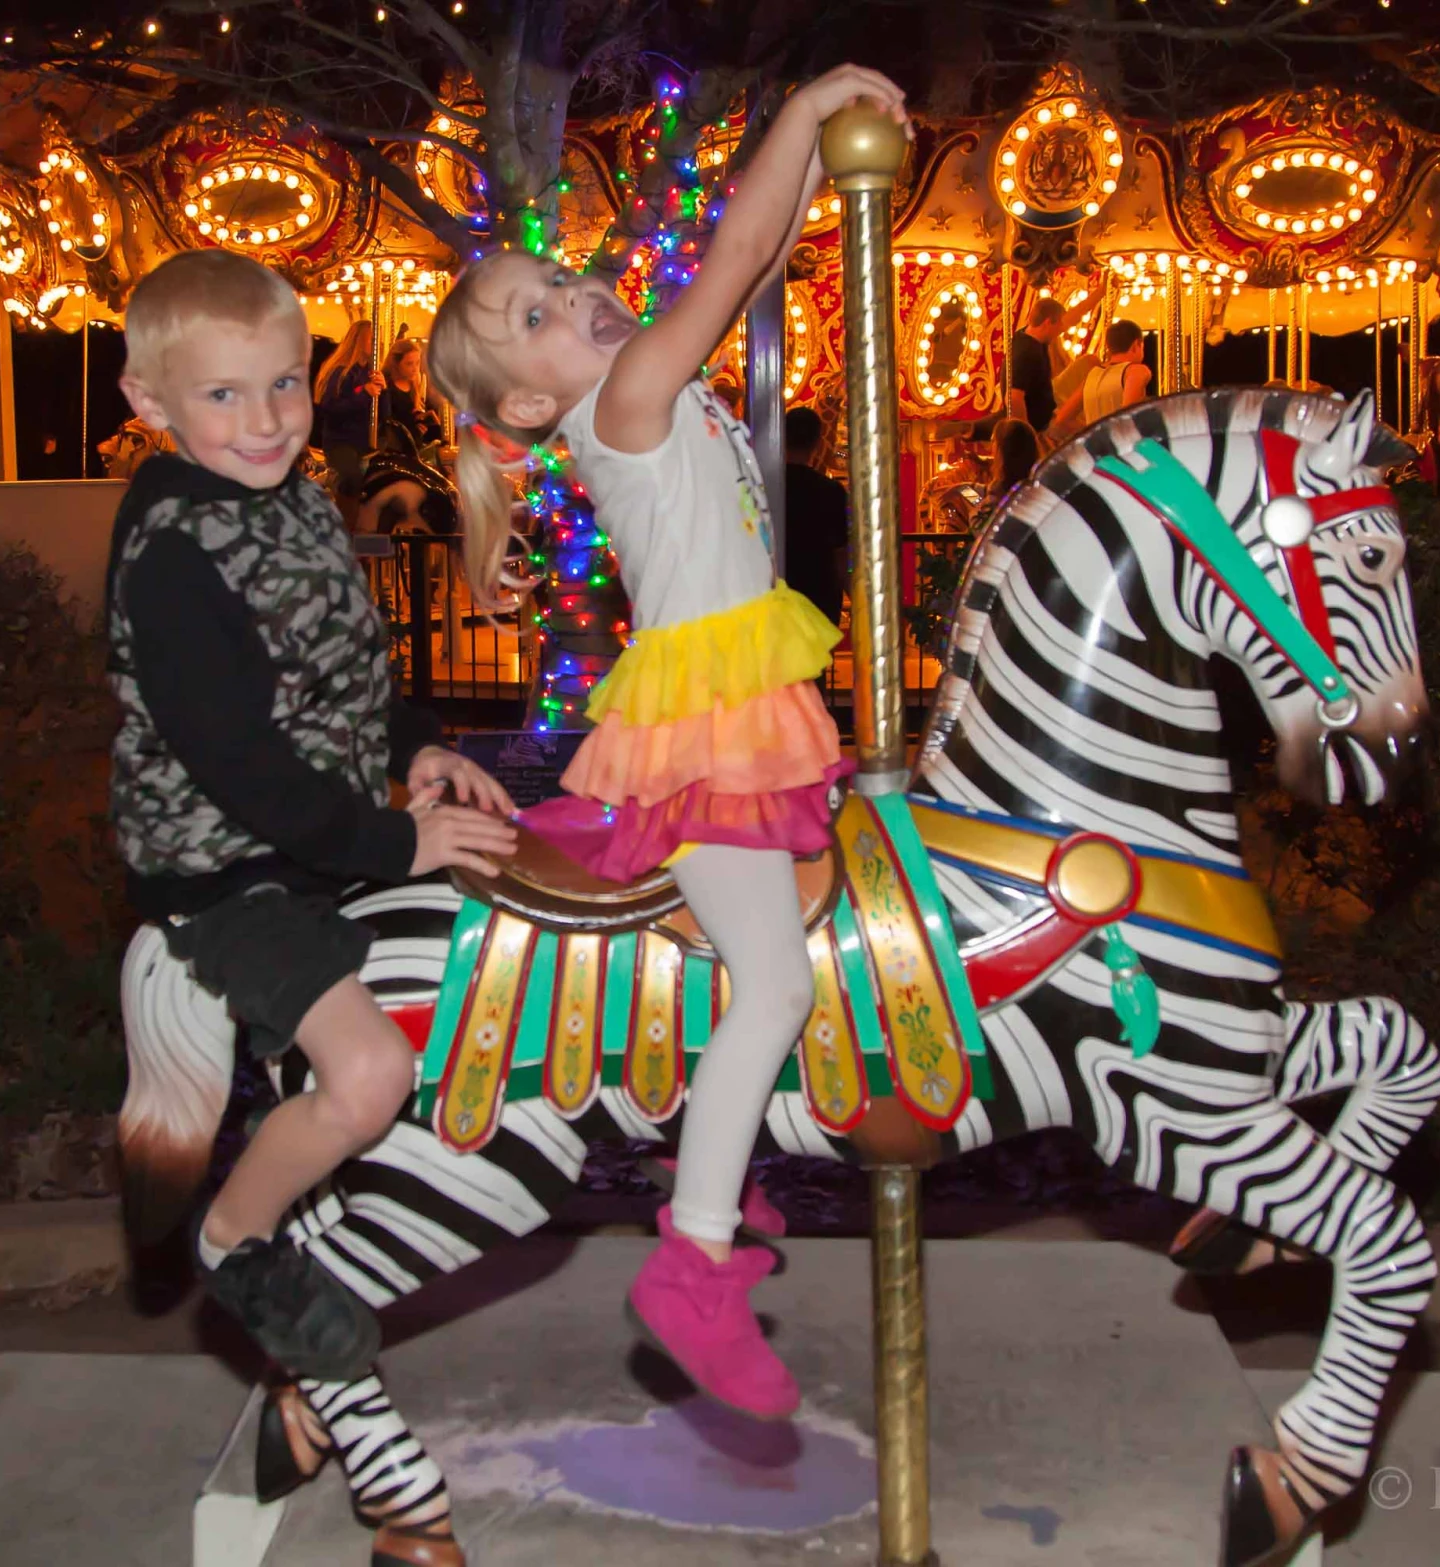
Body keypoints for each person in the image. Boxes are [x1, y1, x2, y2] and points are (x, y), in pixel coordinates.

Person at [427, 64, 909, 1419]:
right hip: (704, 731)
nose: (565, 294)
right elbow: (741, 248)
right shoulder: (626, 398)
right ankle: (692, 1259)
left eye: (551, 277)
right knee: (774, 988)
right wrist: (809, 107)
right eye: (530, 314)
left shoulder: (634, 379)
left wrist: (827, 158)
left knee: (772, 954)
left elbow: (755, 266)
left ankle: (721, 1163)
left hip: (720, 705)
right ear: (523, 406)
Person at [106, 250, 520, 1381]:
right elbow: (237, 763)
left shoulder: (291, 499)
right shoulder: (176, 555)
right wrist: (396, 838)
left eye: (285, 384)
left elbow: (345, 673)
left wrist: (417, 744)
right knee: (372, 1075)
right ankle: (235, 1241)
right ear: (151, 405)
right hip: (231, 871)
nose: (266, 420)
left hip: (313, 837)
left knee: (511, 925)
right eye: (223, 395)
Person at [781, 405, 849, 629]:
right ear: (817, 443)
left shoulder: (765, 486)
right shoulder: (831, 491)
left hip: (777, 592)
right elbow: (841, 553)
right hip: (819, 593)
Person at [1005, 294, 1096, 435]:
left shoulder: (1025, 335)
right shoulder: (1027, 352)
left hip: (1048, 412)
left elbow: (1070, 319)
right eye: (1059, 325)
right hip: (1041, 426)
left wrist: (1101, 291)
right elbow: (1014, 397)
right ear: (1048, 322)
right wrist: (1027, 435)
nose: (1062, 329)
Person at [313, 318, 381, 494]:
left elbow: (384, 414)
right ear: (358, 341)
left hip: (363, 440)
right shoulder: (340, 372)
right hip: (341, 441)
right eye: (372, 339)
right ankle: (346, 515)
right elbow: (330, 409)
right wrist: (364, 394)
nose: (376, 344)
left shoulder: (370, 373)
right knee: (352, 479)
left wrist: (384, 390)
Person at [1058, 319, 1152, 436]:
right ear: (1136, 345)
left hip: (1098, 448)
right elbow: (1128, 415)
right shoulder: (1136, 371)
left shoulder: (1092, 374)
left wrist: (1094, 432)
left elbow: (1062, 419)